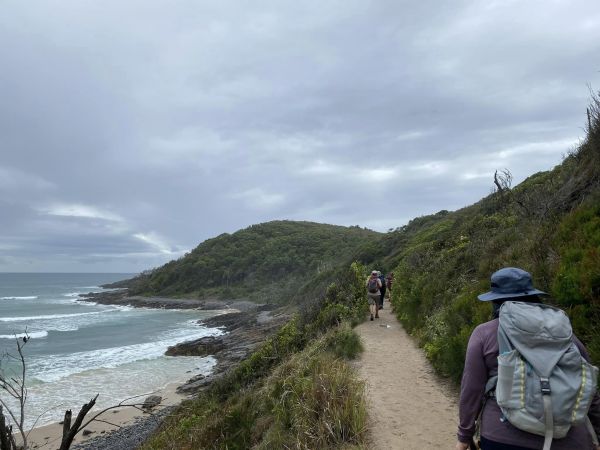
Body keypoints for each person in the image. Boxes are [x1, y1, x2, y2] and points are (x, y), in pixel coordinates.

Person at [456, 267, 600, 450]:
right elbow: (589, 387)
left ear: (496, 301)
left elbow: (472, 389)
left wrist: (464, 436)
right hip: (569, 440)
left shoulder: (484, 333)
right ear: (533, 296)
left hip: (501, 437)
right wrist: (597, 432)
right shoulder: (564, 334)